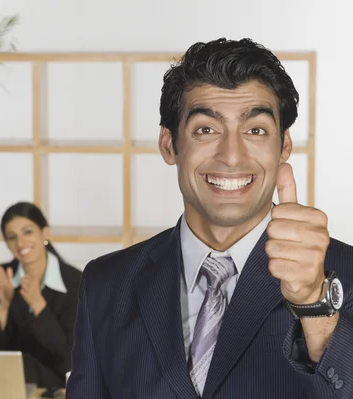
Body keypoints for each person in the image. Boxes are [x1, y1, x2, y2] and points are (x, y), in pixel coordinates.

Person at [66, 38, 353, 398]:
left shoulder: (344, 272)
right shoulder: (105, 284)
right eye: (206, 129)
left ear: (284, 147)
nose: (231, 156)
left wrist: (315, 307)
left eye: (255, 130)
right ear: (170, 145)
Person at [0, 201, 82, 389]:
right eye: (12, 237)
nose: (21, 243)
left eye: (28, 232)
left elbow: (69, 358)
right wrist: (3, 308)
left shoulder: (74, 281)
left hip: (54, 384)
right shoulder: (1, 277)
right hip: (5, 381)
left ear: (44, 232)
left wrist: (38, 304)